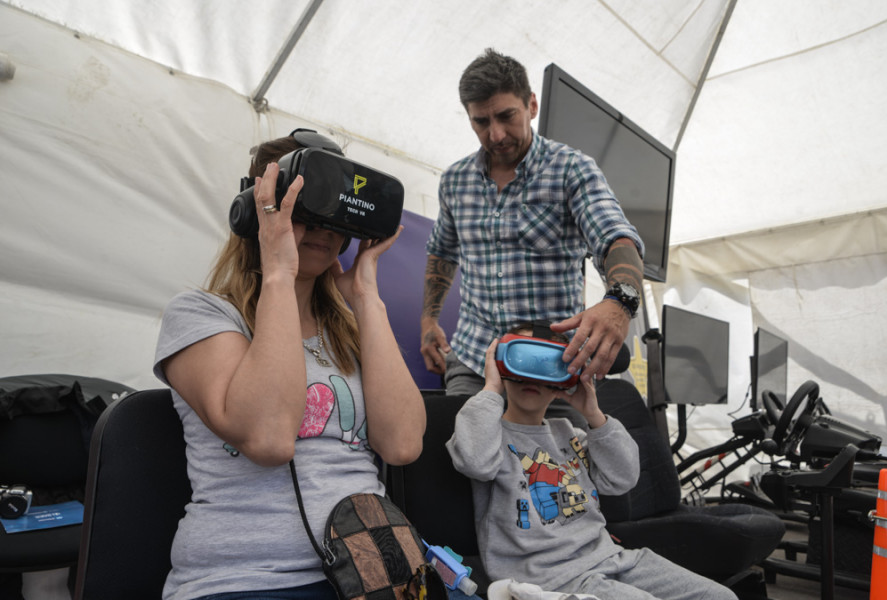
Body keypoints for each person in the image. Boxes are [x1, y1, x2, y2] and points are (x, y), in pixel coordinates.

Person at [153, 132, 426, 600]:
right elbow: (268, 438)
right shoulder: (201, 314)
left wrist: (365, 298)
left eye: (333, 211)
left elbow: (401, 445)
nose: (322, 226)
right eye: (301, 207)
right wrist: (278, 272)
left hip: (373, 571)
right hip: (246, 578)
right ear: (252, 211)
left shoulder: (349, 329)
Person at [446, 324, 737, 600]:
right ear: (501, 364)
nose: (532, 378)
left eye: (548, 365)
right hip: (549, 579)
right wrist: (491, 389)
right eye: (522, 360)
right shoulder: (488, 433)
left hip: (611, 558)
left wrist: (594, 415)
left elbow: (623, 478)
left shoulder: (570, 433)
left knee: (721, 596)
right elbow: (475, 461)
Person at [421, 48, 645, 397]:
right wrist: (428, 320)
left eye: (507, 116)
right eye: (481, 122)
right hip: (473, 359)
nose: (495, 135)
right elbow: (442, 253)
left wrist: (620, 302)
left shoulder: (572, 169)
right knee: (465, 450)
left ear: (532, 106)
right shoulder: (454, 181)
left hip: (551, 367)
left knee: (548, 455)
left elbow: (616, 238)